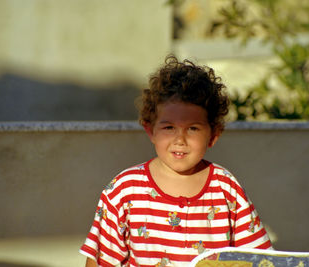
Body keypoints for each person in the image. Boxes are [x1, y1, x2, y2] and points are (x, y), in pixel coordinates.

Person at [80, 55, 272, 267]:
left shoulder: (226, 188)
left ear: (214, 135)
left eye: (193, 128)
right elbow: (99, 262)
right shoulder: (123, 191)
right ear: (150, 130)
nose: (179, 140)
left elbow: (259, 260)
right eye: (169, 127)